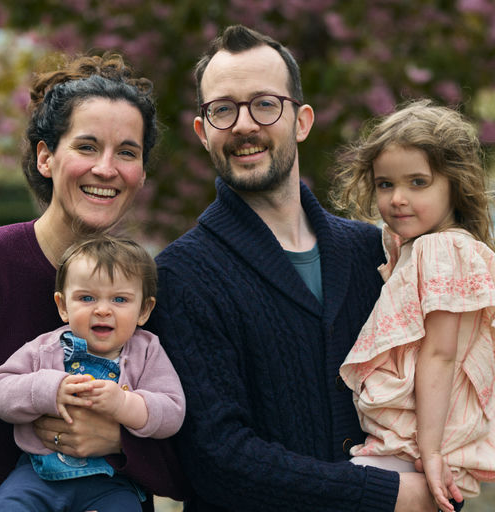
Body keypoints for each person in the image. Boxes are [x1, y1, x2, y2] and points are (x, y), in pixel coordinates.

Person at [148, 24, 441, 511]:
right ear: (203, 132)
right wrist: (385, 495)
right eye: (223, 109)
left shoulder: (375, 253)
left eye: (265, 104)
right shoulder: (182, 275)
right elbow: (219, 460)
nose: (244, 125)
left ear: (301, 121)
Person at [0, 52, 188, 511]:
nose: (106, 169)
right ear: (46, 157)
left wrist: (117, 441)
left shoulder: (154, 293)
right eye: (87, 147)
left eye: (127, 153)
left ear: (142, 174)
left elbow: (193, 455)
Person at [335, 99, 495, 511]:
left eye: (418, 182)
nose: (398, 199)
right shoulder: (415, 247)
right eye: (386, 184)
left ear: (454, 184)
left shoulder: (442, 250)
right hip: (411, 442)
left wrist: (432, 452)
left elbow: (441, 354)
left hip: (416, 445)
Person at [0, 235, 185, 511]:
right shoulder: (45, 348)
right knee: (11, 505)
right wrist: (50, 389)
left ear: (144, 310)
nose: (102, 310)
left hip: (111, 480)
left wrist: (124, 404)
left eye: (120, 299)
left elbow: (172, 411)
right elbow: (1, 390)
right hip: (39, 474)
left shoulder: (147, 352)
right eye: (87, 298)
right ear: (63, 306)